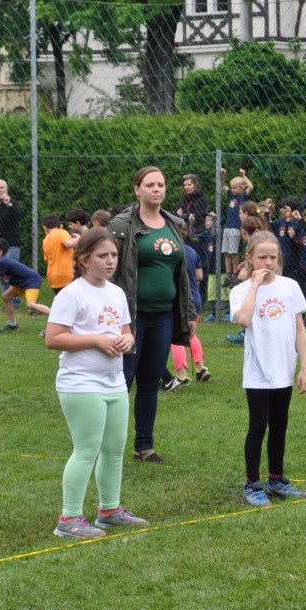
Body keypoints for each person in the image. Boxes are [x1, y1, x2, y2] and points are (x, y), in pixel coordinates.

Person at [44, 227, 148, 540]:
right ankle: (69, 519)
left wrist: (128, 339)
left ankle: (109, 511)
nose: (110, 260)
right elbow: (53, 338)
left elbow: (126, 331)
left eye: (114, 254)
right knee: (87, 449)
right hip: (81, 383)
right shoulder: (72, 294)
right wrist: (95, 340)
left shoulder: (116, 292)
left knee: (114, 449)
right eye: (103, 255)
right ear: (84, 260)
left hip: (114, 382)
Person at [108, 167, 196, 465]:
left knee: (149, 382)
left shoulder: (174, 224)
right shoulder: (121, 225)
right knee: (122, 381)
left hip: (164, 316)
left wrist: (189, 311)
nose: (156, 189)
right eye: (149, 185)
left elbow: (181, 274)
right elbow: (111, 270)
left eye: (161, 184)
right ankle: (110, 447)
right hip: (130, 317)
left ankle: (144, 447)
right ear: (137, 189)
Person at [231, 231, 306, 506]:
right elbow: (244, 320)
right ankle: (252, 484)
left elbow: (300, 329)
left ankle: (276, 479)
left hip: (284, 370)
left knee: (279, 426)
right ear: (249, 258)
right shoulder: (241, 291)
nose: (268, 263)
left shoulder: (290, 286)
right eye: (262, 257)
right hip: (258, 372)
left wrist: (304, 368)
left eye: (273, 257)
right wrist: (254, 285)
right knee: (258, 426)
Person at [165, 241, 210, 388]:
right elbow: (199, 275)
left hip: (180, 298)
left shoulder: (168, 250)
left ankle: (182, 375)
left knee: (176, 336)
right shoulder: (192, 251)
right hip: (195, 298)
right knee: (191, 334)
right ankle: (201, 369)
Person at [41, 214, 77, 300]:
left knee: (63, 302)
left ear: (45, 228)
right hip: (66, 275)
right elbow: (68, 243)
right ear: (61, 226)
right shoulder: (62, 232)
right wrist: (81, 238)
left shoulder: (45, 240)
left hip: (53, 277)